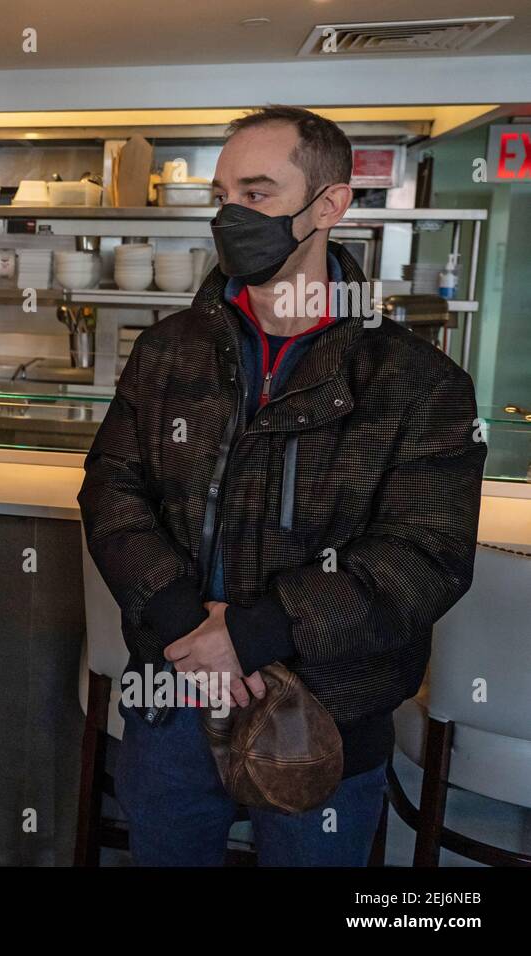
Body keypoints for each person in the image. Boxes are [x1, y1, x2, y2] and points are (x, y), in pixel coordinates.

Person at [79, 105, 486, 866]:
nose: (232, 214)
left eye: (258, 193)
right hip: (172, 697)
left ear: (329, 206)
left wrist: (252, 634)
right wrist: (182, 625)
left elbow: (421, 557)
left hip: (327, 715)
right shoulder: (168, 351)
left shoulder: (418, 382)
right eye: (223, 195)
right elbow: (112, 493)